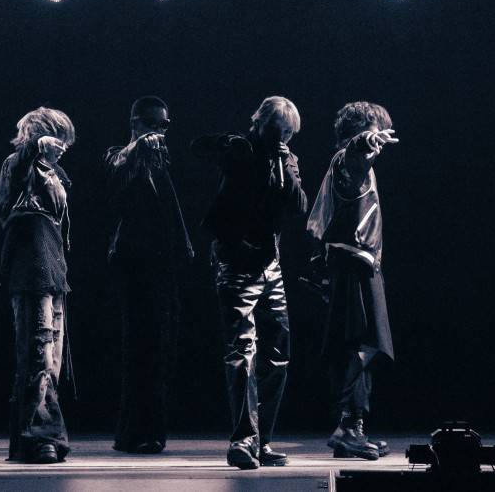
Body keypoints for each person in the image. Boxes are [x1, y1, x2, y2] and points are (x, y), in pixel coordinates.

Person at [191, 96, 307, 470]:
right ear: (259, 122)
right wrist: (230, 142)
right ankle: (242, 439)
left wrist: (285, 165)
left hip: (270, 265)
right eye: (277, 129)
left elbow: (298, 206)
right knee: (242, 351)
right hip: (237, 262)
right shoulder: (241, 149)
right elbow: (199, 146)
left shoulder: (288, 160)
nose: (282, 137)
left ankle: (262, 439)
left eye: (288, 132)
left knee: (277, 354)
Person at [306, 102, 398, 460]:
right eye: (377, 131)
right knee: (360, 343)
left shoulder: (353, 168)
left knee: (361, 344)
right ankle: (347, 428)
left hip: (357, 263)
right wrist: (364, 141)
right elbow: (355, 154)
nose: (380, 141)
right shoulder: (347, 162)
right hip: (353, 265)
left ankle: (354, 428)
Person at [104, 96, 193, 454]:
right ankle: (134, 431)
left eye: (165, 125)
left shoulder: (159, 161)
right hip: (135, 265)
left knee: (162, 347)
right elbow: (114, 181)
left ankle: (150, 429)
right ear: (136, 123)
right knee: (140, 347)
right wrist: (138, 147)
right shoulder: (121, 155)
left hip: (162, 265)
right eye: (154, 124)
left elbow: (170, 209)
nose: (160, 131)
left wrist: (184, 244)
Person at [0, 107, 75, 464]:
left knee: (50, 359)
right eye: (58, 137)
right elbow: (8, 201)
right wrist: (33, 149)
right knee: (38, 354)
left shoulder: (54, 174)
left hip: (52, 270)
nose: (64, 146)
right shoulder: (19, 164)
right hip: (31, 270)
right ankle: (39, 436)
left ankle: (32, 437)